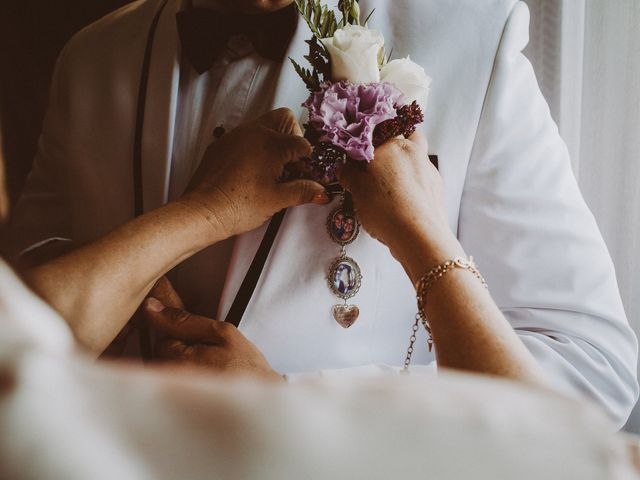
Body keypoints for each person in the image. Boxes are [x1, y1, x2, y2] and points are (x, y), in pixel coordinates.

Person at [6, 0, 639, 427]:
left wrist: (293, 407)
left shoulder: (470, 34)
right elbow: (23, 305)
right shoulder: (90, 59)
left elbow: (592, 365)